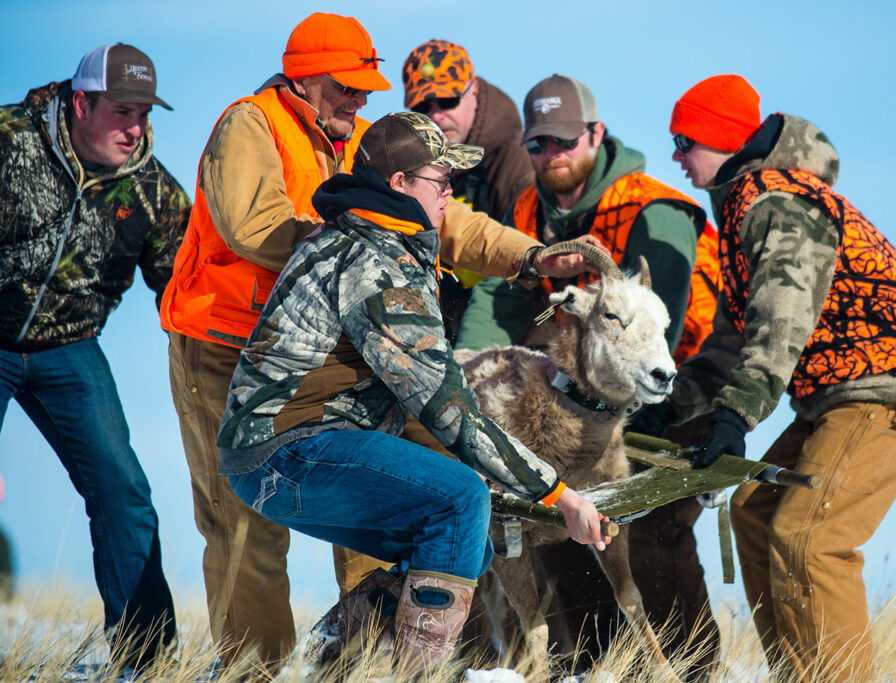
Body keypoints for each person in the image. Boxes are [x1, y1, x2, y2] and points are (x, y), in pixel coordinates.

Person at [159, 14, 603, 669]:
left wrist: (531, 255)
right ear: (306, 77)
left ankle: (357, 648)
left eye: (368, 87)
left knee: (435, 497)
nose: (361, 98)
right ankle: (257, 667)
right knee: (248, 532)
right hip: (224, 346)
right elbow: (252, 225)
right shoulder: (252, 124)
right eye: (347, 85)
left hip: (341, 366)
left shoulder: (372, 146)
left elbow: (454, 221)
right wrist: (352, 237)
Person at [664, 74, 896, 681]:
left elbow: (782, 321)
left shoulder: (777, 203)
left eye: (684, 140)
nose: (676, 155)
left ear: (722, 140)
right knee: (756, 511)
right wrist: (670, 410)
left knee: (810, 535)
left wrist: (735, 416)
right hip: (841, 390)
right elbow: (732, 339)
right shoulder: (743, 207)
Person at [457, 73, 723, 676]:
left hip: (678, 392)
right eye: (539, 144)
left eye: (565, 141)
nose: (552, 156)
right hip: (586, 403)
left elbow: (668, 321)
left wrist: (635, 405)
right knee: (561, 527)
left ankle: (691, 671)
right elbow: (498, 301)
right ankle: (595, 668)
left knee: (653, 536)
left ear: (596, 134)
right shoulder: (528, 209)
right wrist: (463, 373)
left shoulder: (650, 206)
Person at [0, 43, 187, 671]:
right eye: (122, 112)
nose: (135, 129)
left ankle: (148, 662)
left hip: (69, 349)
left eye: (143, 114)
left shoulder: (152, 189)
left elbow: (187, 290)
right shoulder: (10, 144)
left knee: (123, 489)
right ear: (81, 103)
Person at [402, 39, 534, 344]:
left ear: (473, 91)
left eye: (446, 100)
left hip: (504, 335)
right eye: (423, 106)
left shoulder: (516, 160)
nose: (435, 116)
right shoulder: (425, 160)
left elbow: (524, 280)